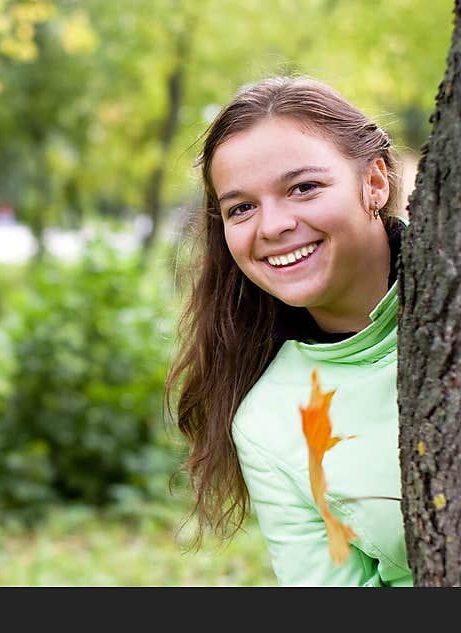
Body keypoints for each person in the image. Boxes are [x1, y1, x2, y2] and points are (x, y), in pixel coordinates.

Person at [166, 76, 412, 586]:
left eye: (303, 188)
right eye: (242, 208)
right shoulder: (270, 420)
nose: (272, 225)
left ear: (375, 183)